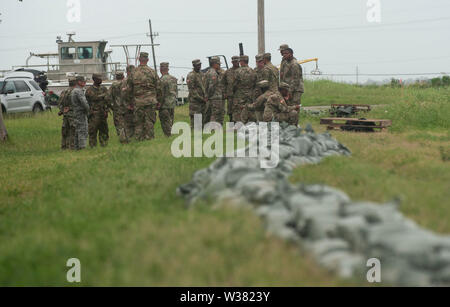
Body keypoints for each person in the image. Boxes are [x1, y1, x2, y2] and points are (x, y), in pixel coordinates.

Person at [127, 52, 160, 141]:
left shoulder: (133, 72)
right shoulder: (153, 72)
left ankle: (139, 140)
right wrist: (158, 101)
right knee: (149, 122)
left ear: (139, 59)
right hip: (151, 101)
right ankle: (149, 140)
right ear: (147, 60)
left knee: (138, 123)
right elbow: (159, 88)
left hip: (138, 102)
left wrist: (130, 103)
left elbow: (129, 89)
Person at [280, 47, 304, 126]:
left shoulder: (294, 64)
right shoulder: (286, 62)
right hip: (290, 88)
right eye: (283, 54)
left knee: (295, 106)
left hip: (296, 89)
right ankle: (290, 124)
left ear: (291, 54)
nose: (284, 55)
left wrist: (289, 92)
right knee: (289, 106)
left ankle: (294, 125)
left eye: (286, 54)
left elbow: (295, 80)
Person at [86, 73, 110, 147]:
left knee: (104, 131)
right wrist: (103, 95)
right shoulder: (89, 90)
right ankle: (93, 147)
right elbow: (94, 97)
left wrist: (106, 110)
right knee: (93, 131)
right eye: (98, 79)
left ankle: (104, 145)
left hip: (103, 113)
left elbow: (108, 99)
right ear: (94, 79)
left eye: (101, 78)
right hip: (94, 114)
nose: (100, 80)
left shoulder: (104, 88)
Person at [232, 55, 256, 124]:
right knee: (249, 109)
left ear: (242, 62)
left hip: (240, 94)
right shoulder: (252, 71)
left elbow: (234, 84)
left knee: (239, 110)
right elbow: (255, 83)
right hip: (250, 94)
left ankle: (240, 125)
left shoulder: (237, 71)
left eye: (240, 61)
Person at [204, 57, 225, 127]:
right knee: (216, 115)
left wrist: (207, 95)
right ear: (214, 64)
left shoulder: (208, 72)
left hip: (211, 97)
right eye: (218, 64)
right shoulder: (214, 73)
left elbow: (206, 85)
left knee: (209, 114)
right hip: (215, 97)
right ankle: (214, 129)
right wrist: (209, 95)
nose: (219, 65)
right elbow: (212, 86)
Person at [187, 59, 207, 129]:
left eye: (200, 64)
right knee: (195, 119)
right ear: (194, 66)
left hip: (203, 101)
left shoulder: (202, 74)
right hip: (195, 101)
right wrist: (201, 98)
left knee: (202, 119)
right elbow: (192, 90)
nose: (199, 66)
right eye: (198, 65)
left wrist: (205, 97)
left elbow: (204, 86)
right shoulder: (191, 75)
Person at [158, 62, 177, 137]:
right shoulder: (174, 78)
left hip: (164, 104)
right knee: (171, 121)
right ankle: (171, 135)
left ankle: (168, 136)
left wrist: (159, 103)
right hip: (172, 103)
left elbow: (161, 93)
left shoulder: (162, 80)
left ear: (160, 69)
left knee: (165, 122)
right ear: (168, 69)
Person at [71, 76, 90, 150]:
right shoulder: (79, 91)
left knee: (77, 130)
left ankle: (76, 147)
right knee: (83, 130)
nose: (85, 83)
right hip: (81, 113)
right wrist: (88, 110)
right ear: (79, 82)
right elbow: (84, 102)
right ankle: (82, 147)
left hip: (76, 112)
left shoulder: (74, 90)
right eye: (83, 81)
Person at [57, 76, 76, 150]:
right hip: (73, 114)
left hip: (65, 115)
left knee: (65, 131)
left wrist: (62, 110)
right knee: (73, 131)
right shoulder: (76, 92)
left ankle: (64, 147)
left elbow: (59, 103)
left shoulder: (64, 92)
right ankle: (72, 147)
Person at [109, 71, 126, 142]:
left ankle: (122, 139)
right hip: (127, 107)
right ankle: (129, 137)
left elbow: (108, 97)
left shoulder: (113, 85)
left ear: (116, 77)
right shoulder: (126, 83)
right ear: (123, 76)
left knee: (119, 125)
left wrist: (111, 106)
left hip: (117, 108)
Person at [121, 65, 136, 142]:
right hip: (129, 107)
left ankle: (130, 140)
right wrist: (127, 106)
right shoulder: (126, 81)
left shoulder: (132, 80)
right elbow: (123, 95)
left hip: (133, 106)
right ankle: (127, 140)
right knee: (128, 125)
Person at [223, 56, 240, 122]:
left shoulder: (242, 70)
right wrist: (224, 92)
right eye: (234, 62)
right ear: (232, 62)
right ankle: (231, 125)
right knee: (230, 111)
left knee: (239, 110)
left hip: (240, 95)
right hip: (230, 95)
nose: (235, 63)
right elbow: (223, 83)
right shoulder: (228, 72)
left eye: (237, 61)